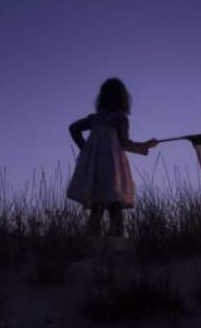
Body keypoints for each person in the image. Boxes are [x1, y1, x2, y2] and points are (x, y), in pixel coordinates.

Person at [66, 78, 158, 237]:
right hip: (111, 165)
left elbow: (73, 128)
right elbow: (124, 143)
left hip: (94, 164)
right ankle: (116, 244)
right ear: (122, 98)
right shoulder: (119, 117)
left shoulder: (94, 118)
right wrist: (145, 146)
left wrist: (85, 148)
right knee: (115, 204)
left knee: (98, 204)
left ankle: (93, 243)